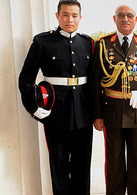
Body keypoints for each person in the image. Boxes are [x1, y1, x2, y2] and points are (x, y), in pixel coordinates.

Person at [18, 0, 94, 194]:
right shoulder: (42, 41)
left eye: (74, 15)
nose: (70, 19)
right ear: (57, 16)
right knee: (59, 164)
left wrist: (97, 112)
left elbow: (93, 81)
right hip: (55, 112)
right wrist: (33, 108)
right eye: (65, 14)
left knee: (82, 164)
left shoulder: (88, 43)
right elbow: (26, 78)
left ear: (80, 17)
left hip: (83, 112)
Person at [90, 5, 137, 195]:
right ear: (114, 18)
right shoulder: (102, 45)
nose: (125, 18)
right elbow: (95, 84)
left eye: (129, 15)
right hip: (112, 110)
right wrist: (97, 115)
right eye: (121, 15)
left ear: (136, 19)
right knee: (114, 161)